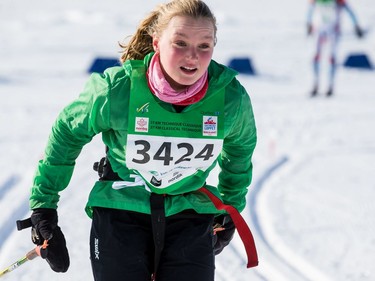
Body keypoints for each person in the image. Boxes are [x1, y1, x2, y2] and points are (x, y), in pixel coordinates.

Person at [20, 0, 258, 280]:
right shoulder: (118, 88)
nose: (192, 57)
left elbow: (240, 151)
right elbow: (67, 133)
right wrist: (44, 209)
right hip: (120, 212)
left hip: (190, 213)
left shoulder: (229, 98)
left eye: (204, 46)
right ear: (157, 42)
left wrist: (231, 207)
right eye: (180, 43)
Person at [306, 0, 364, 97]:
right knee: (316, 55)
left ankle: (330, 86)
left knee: (331, 57)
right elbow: (310, 9)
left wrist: (356, 25)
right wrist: (308, 23)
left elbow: (349, 10)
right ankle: (315, 84)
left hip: (333, 30)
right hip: (319, 29)